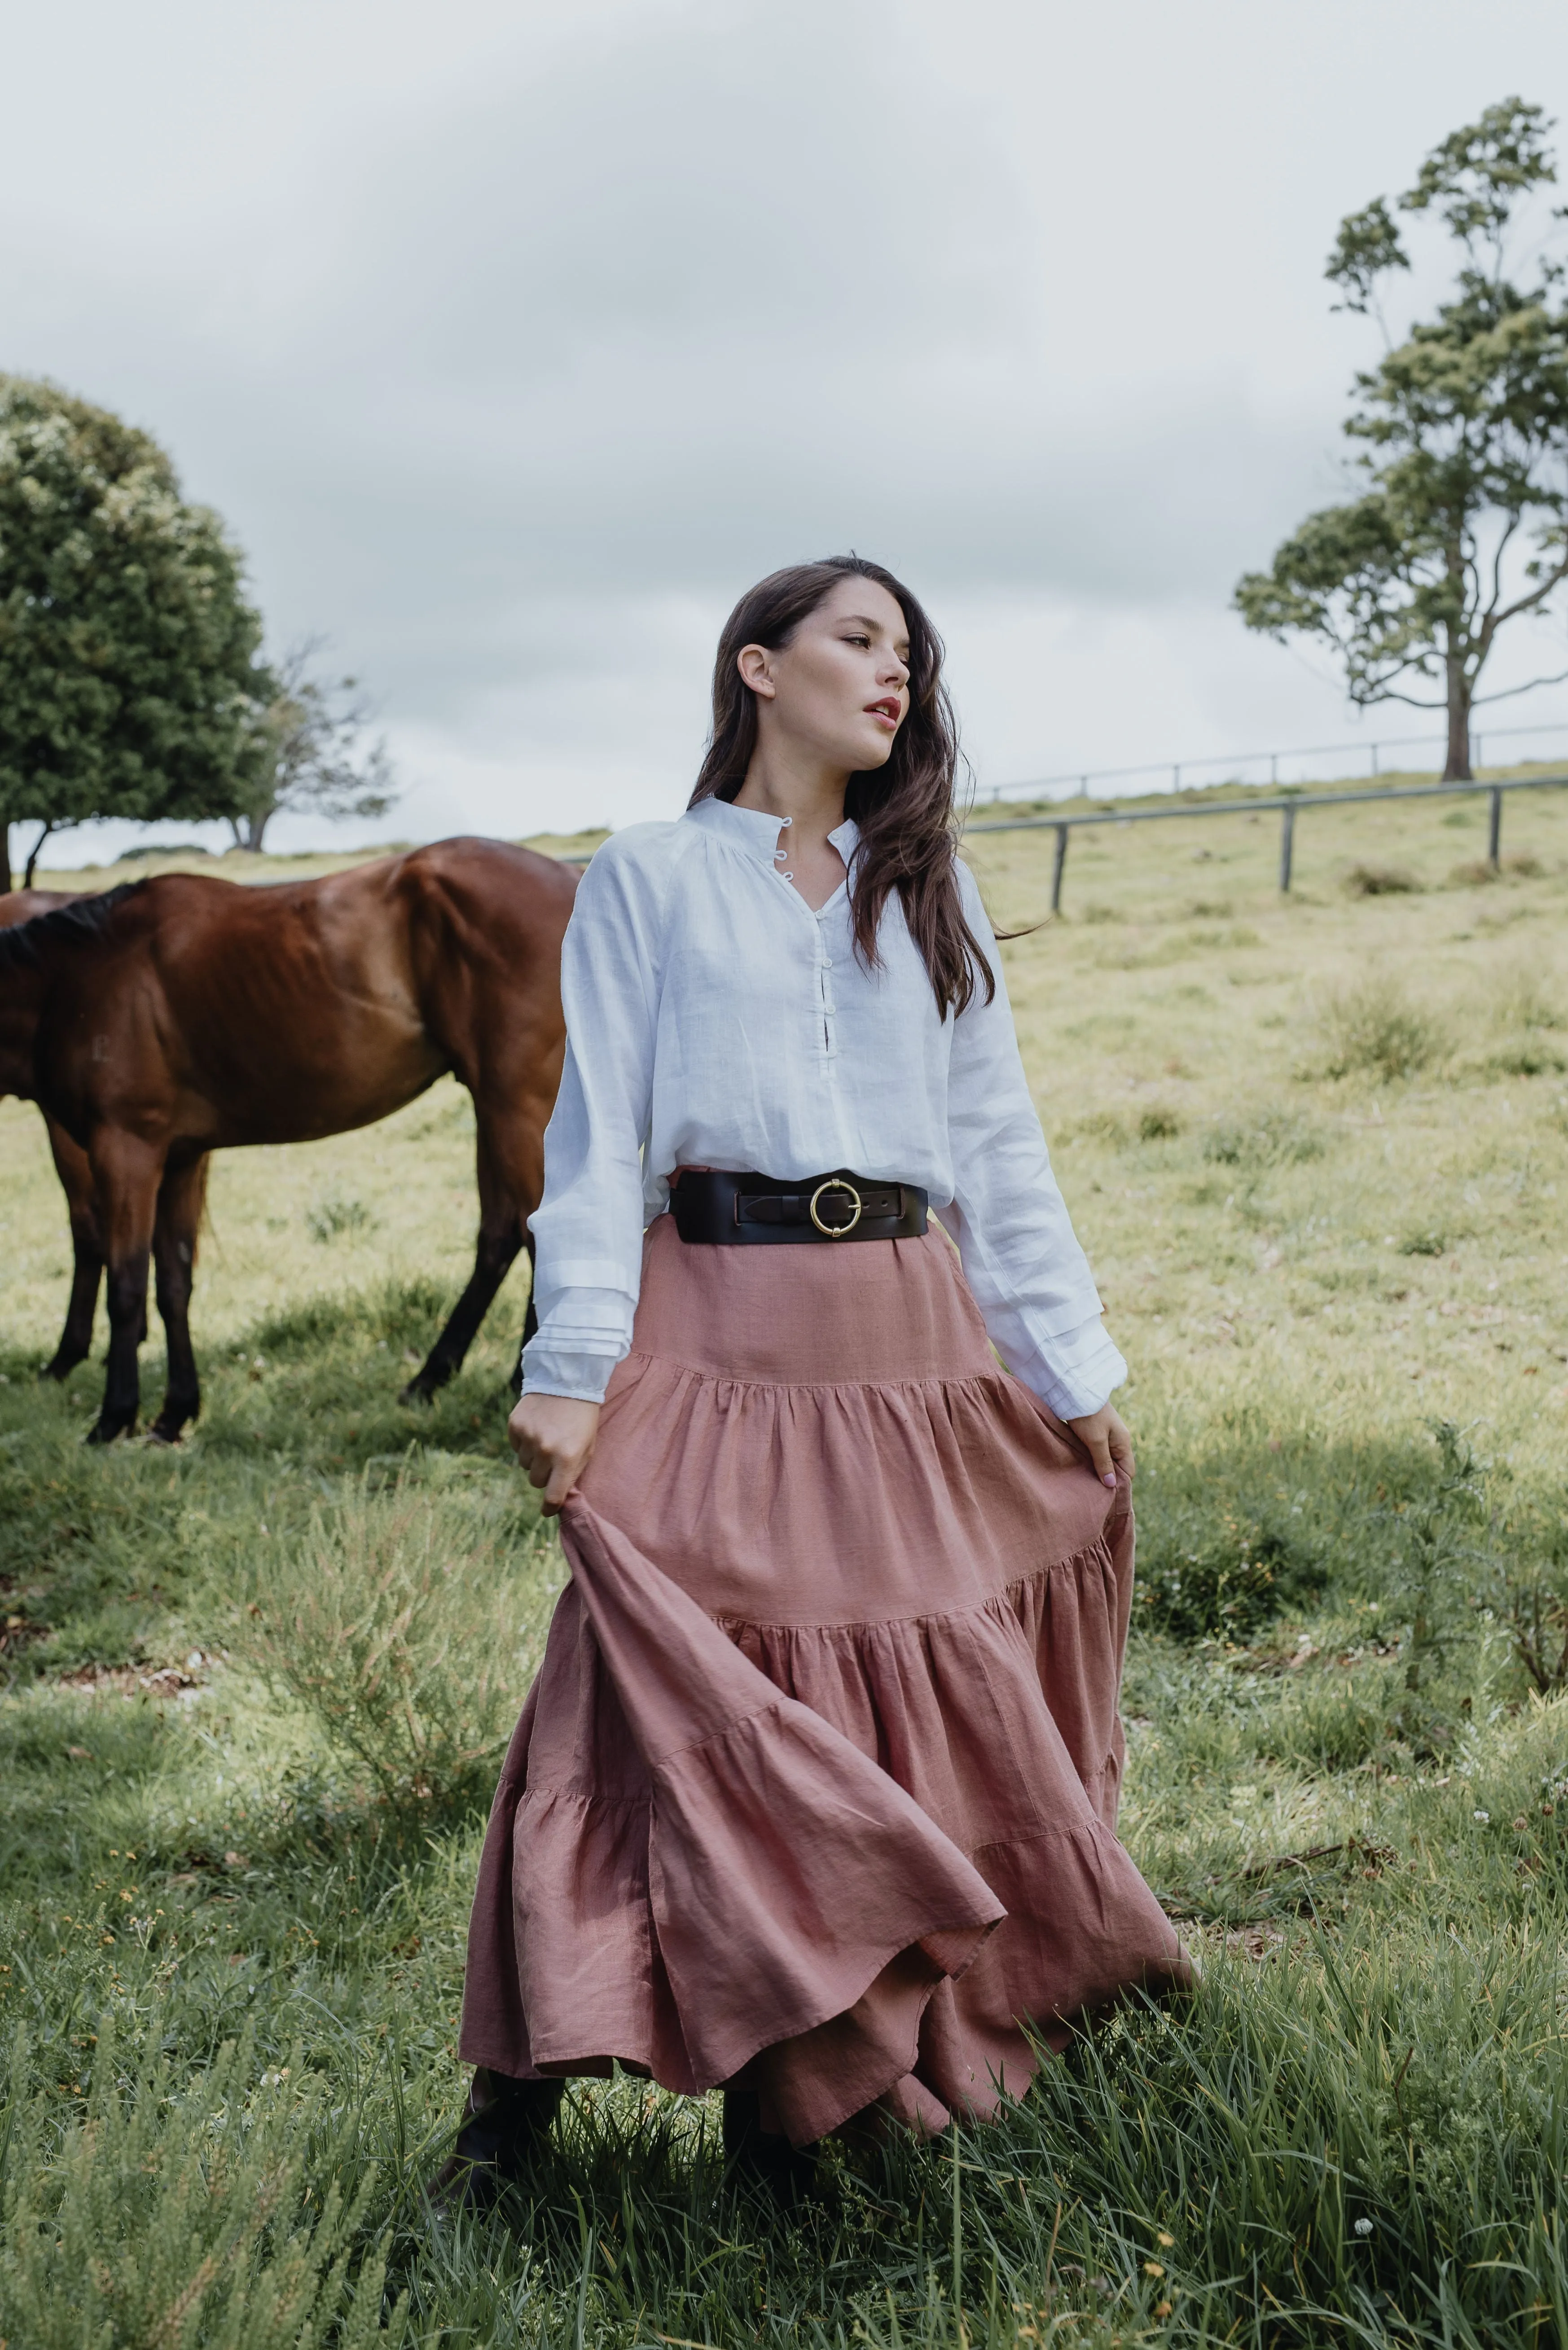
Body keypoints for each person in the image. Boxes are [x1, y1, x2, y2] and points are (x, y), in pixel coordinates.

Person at [442, 556, 1186, 2208]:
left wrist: (1062, 1360)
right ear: (757, 667)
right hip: (712, 1324)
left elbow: (996, 1146)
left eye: (908, 653)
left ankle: (803, 2100)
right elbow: (601, 1142)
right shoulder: (646, 877)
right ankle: (509, 2115)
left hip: (910, 1339)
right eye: (858, 639)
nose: (893, 672)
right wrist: (573, 1365)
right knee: (653, 1684)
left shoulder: (931, 890)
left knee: (904, 1689)